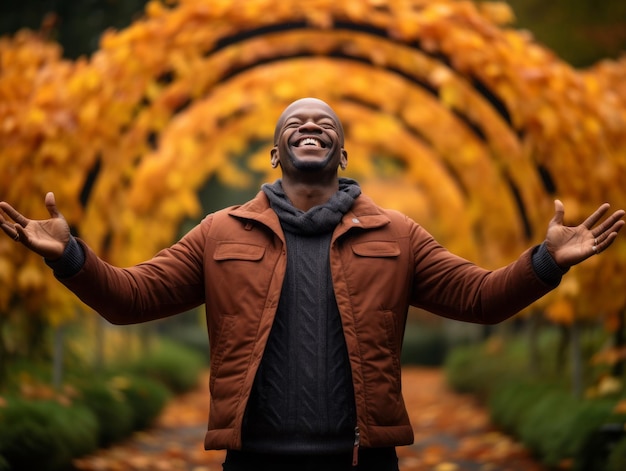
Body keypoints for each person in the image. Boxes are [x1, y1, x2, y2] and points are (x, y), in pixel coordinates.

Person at [1, 97, 624, 471]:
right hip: (253, 460)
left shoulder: (399, 234)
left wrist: (545, 262)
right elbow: (131, 299)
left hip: (364, 459)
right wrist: (72, 257)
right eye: (296, 121)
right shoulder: (219, 233)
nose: (311, 126)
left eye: (326, 123)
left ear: (342, 154)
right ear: (275, 152)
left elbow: (481, 299)